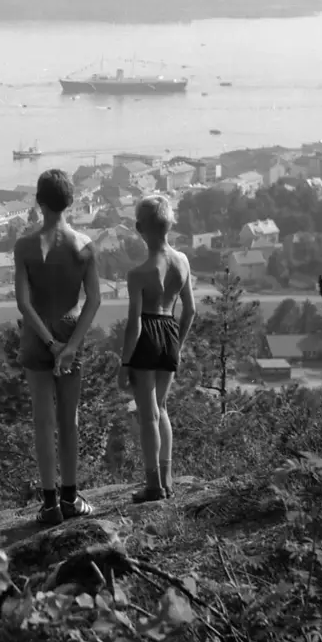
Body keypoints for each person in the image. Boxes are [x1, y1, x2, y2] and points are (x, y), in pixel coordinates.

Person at [14, 168, 102, 526]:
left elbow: (23, 303)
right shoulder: (84, 246)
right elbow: (93, 300)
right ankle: (70, 496)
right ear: (71, 201)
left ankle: (49, 503)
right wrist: (69, 347)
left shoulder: (24, 246)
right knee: (70, 420)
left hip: (38, 338)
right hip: (71, 333)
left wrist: (49, 343)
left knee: (42, 420)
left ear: (39, 201)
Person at [117, 194, 196, 502]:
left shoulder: (138, 274)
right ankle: (168, 479)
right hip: (170, 332)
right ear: (170, 224)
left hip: (148, 333)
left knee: (147, 413)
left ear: (139, 228)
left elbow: (134, 323)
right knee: (162, 408)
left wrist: (125, 364)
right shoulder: (183, 262)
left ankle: (152, 486)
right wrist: (180, 344)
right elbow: (189, 310)